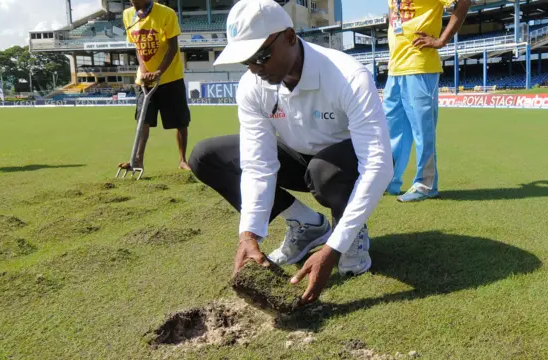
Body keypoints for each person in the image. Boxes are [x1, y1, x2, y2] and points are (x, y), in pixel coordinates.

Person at [188, 0, 393, 305]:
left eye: (262, 56)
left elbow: (378, 164)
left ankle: (349, 232)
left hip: (343, 165)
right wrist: (249, 234)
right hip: (298, 157)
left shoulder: (348, 76)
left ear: (289, 37)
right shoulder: (252, 85)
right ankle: (307, 225)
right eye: (247, 61)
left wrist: (334, 248)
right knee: (206, 157)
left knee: (323, 172)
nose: (255, 69)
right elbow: (258, 164)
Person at [383, 0, 470, 202]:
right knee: (391, 132)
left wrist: (441, 41)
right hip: (395, 69)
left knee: (423, 131)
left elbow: (464, 2)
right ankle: (389, 181)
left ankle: (426, 184)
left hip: (420, 67)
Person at [121, 0, 192, 171]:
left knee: (180, 121)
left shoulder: (167, 13)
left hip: (170, 77)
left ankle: (182, 160)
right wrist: (144, 70)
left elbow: (173, 47)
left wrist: (159, 71)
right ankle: (137, 160)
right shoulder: (127, 15)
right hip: (144, 80)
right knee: (143, 120)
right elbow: (137, 47)